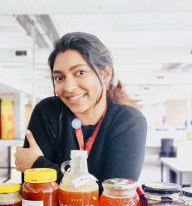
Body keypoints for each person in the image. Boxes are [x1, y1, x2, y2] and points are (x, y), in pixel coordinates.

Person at [15, 32, 147, 193]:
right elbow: (35, 189)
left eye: (80, 72)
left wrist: (38, 164)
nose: (69, 87)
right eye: (59, 77)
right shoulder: (47, 112)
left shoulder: (128, 121)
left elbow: (115, 194)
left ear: (105, 74)